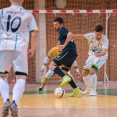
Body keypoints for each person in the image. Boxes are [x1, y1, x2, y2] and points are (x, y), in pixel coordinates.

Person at [0, 0, 38, 116]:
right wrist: (32, 49)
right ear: (22, 0)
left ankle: (6, 100)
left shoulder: (1, 12)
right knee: (21, 77)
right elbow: (35, 34)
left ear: (10, 0)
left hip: (4, 46)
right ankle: (14, 103)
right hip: (20, 47)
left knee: (2, 76)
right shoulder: (28, 14)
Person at [49, 17, 81, 97]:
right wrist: (60, 46)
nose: (54, 27)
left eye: (56, 25)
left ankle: (64, 77)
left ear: (61, 24)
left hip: (68, 51)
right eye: (54, 25)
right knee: (65, 71)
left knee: (51, 65)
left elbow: (70, 34)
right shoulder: (61, 33)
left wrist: (64, 45)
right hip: (72, 53)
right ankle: (76, 89)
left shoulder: (62, 30)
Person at [73, 25, 109, 96]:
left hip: (101, 56)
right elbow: (81, 36)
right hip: (92, 56)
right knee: (84, 73)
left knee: (92, 70)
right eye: (95, 33)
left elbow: (104, 52)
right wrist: (71, 36)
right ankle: (89, 89)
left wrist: (98, 54)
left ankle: (94, 90)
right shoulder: (91, 35)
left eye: (98, 34)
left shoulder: (105, 39)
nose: (96, 35)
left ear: (102, 33)